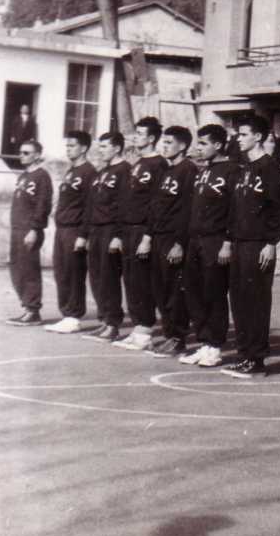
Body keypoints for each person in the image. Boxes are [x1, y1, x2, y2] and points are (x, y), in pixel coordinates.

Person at [223, 114, 280, 378]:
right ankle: (244, 355)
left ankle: (257, 359)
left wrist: (271, 242)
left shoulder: (270, 167)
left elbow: (278, 209)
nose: (238, 139)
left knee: (256, 301)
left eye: (243, 134)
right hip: (239, 243)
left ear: (258, 137)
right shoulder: (243, 168)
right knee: (238, 300)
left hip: (258, 244)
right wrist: (229, 240)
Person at [179, 124, 240, 369]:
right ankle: (204, 342)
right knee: (194, 292)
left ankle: (215, 346)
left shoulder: (232, 171)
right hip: (195, 240)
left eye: (203, 143)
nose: (198, 148)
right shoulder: (204, 170)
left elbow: (235, 210)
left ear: (218, 145)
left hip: (216, 240)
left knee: (214, 293)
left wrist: (227, 242)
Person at [139, 126, 198, 359]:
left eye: (169, 142)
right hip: (158, 236)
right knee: (160, 289)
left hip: (174, 238)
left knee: (174, 290)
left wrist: (180, 243)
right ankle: (168, 334)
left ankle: (178, 338)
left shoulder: (188, 170)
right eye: (163, 142)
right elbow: (156, 207)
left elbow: (188, 210)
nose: (163, 146)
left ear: (182, 146)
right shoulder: (166, 170)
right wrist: (148, 236)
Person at [111, 117, 168, 352]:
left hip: (143, 230)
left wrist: (148, 235)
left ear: (152, 138)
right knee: (131, 281)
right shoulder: (137, 164)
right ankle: (137, 328)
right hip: (128, 229)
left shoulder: (159, 164)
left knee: (143, 282)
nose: (135, 137)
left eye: (141, 133)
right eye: (135, 132)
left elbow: (157, 203)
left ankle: (145, 330)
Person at [44, 131, 98, 334]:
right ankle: (66, 314)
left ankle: (74, 316)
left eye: (72, 146)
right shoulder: (71, 171)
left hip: (75, 229)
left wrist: (83, 235)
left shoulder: (88, 172)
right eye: (67, 146)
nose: (68, 149)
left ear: (83, 148)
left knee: (73, 273)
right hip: (62, 228)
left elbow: (90, 206)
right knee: (61, 272)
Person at [79, 132, 131, 342]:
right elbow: (90, 205)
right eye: (99, 146)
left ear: (116, 148)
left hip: (111, 230)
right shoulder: (102, 172)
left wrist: (118, 235)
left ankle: (112, 324)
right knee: (96, 277)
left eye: (104, 146)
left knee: (109, 278)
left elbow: (124, 205)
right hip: (96, 230)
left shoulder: (124, 170)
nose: (100, 151)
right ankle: (104, 320)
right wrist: (85, 234)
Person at [4, 140, 53, 326]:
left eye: (26, 153)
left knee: (29, 269)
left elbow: (43, 205)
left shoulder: (42, 176)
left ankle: (33, 310)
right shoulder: (23, 176)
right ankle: (26, 307)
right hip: (17, 228)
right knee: (17, 268)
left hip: (29, 230)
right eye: (21, 152)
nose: (21, 156)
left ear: (37, 155)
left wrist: (34, 229)